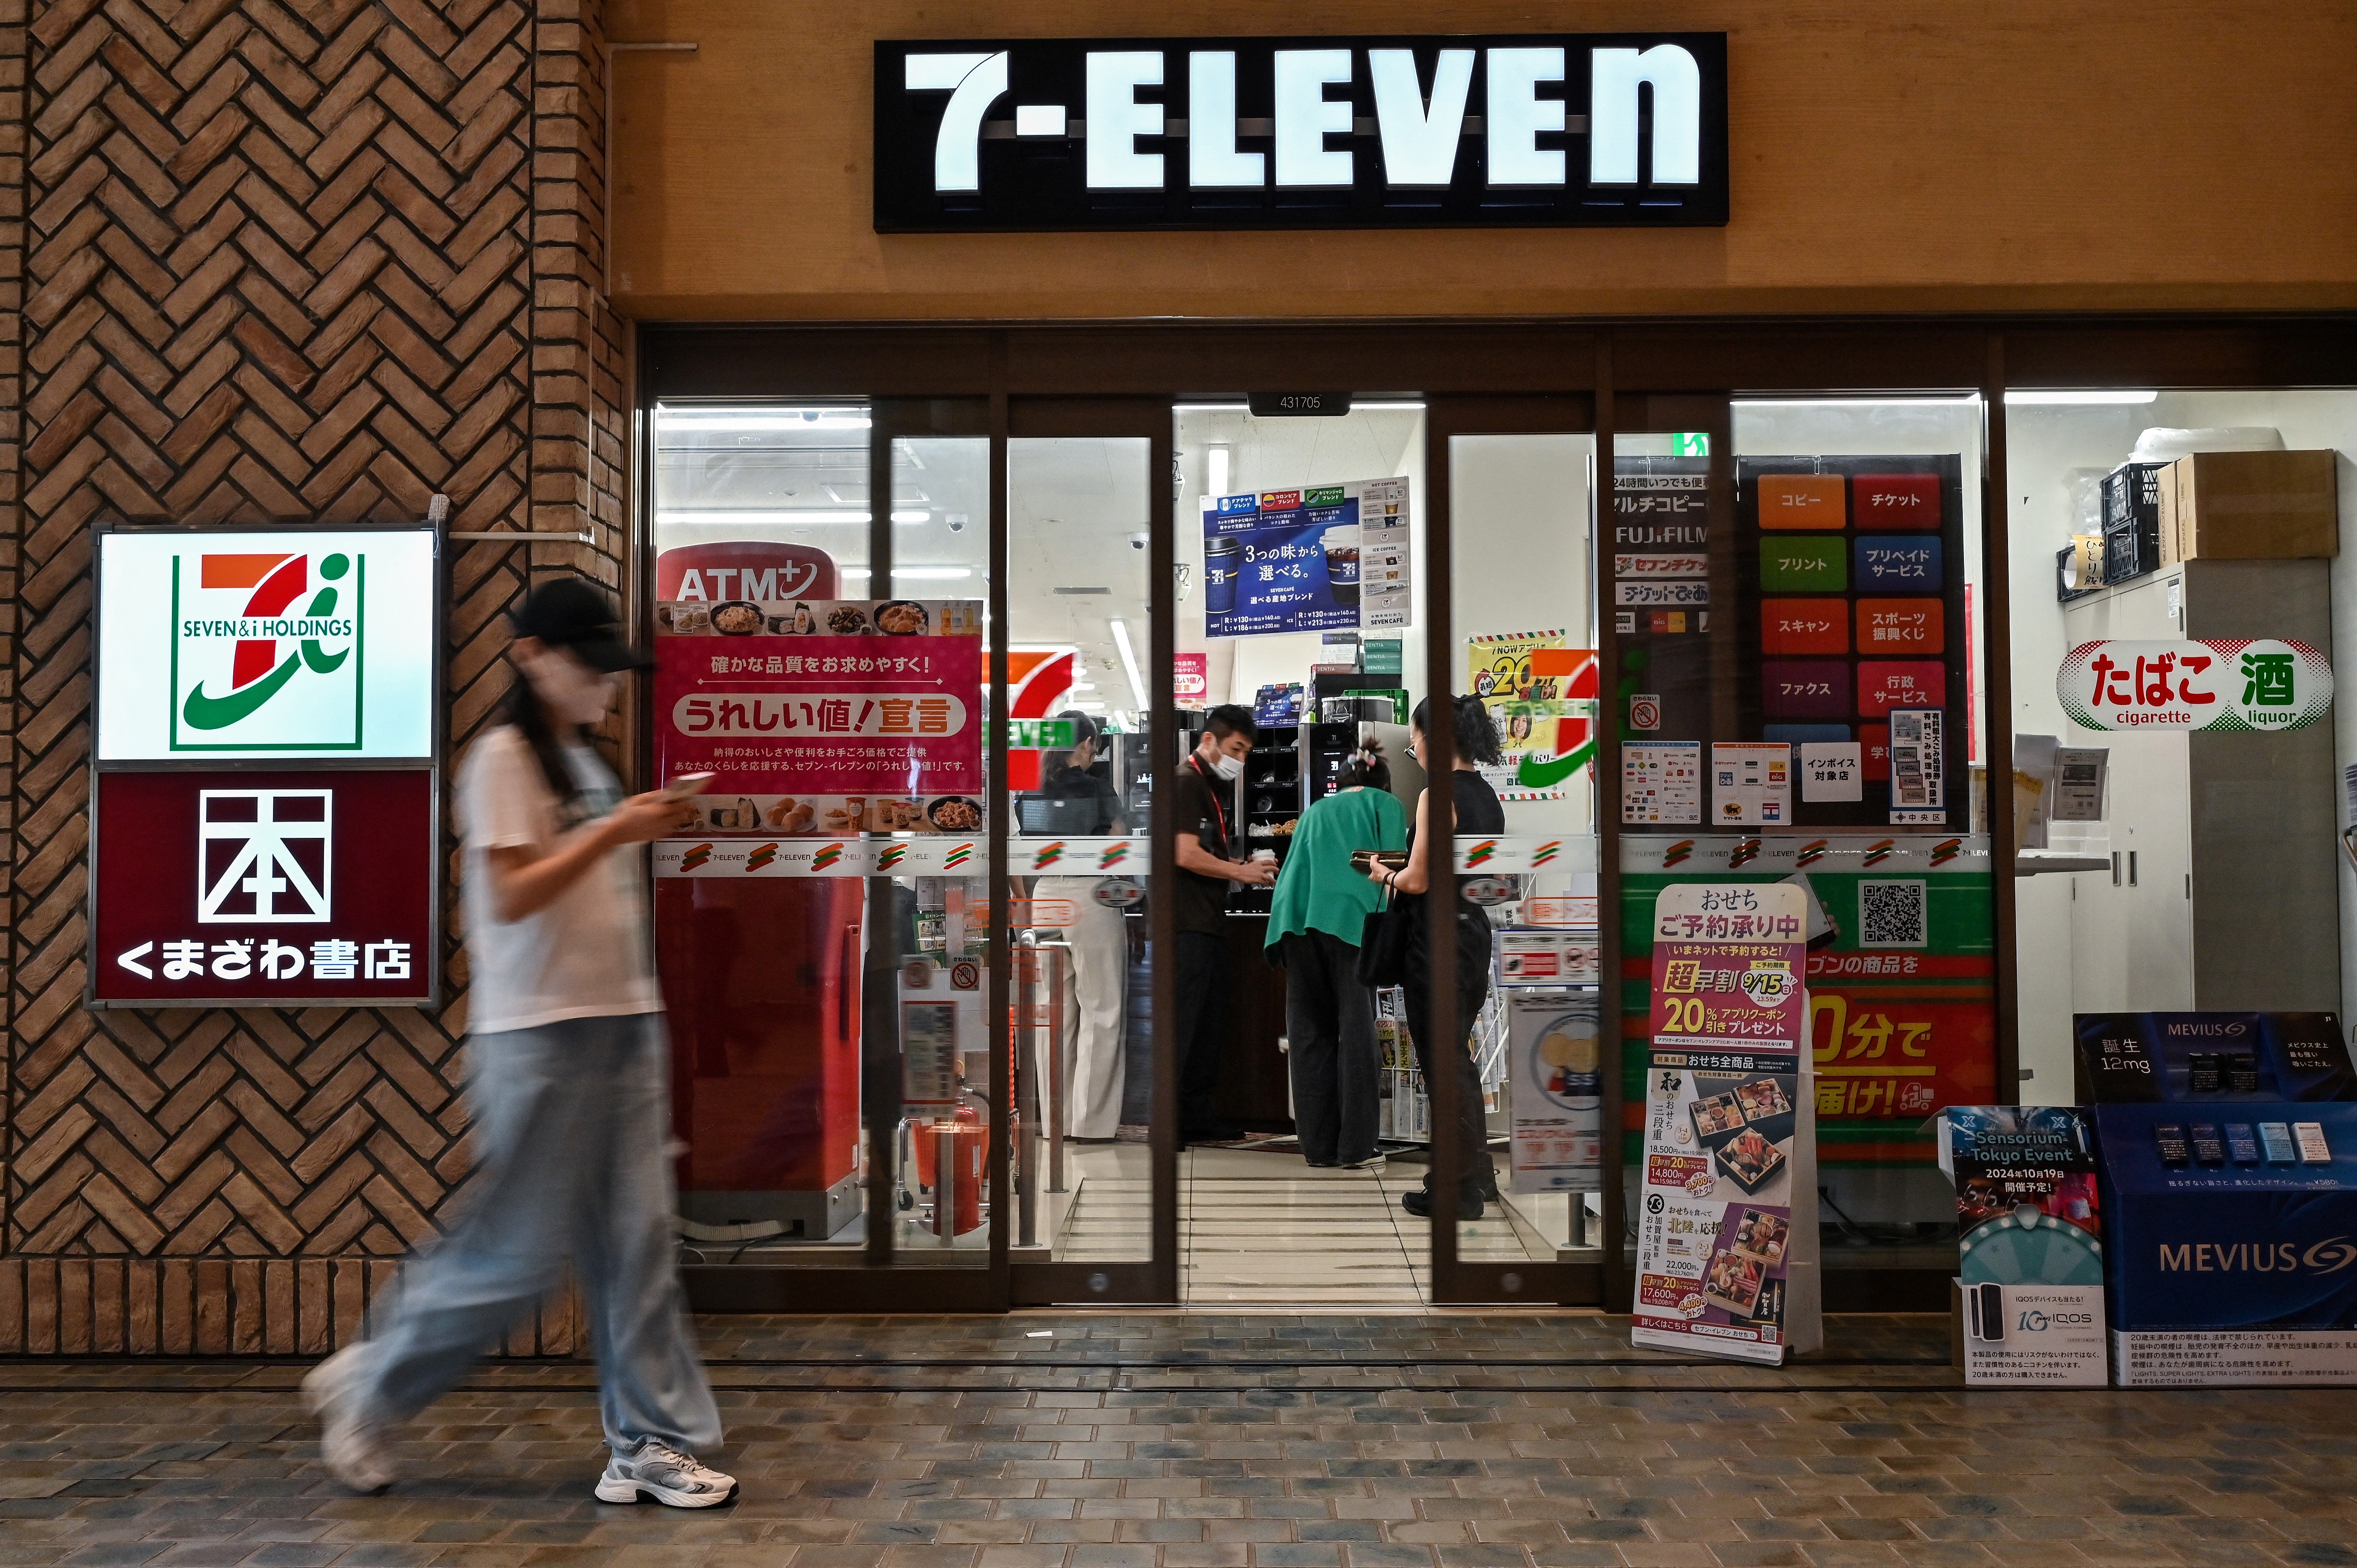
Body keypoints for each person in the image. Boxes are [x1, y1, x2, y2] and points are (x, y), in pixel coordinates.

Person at [302, 578, 735, 1508]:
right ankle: (370, 1385)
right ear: (532, 655)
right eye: (589, 668)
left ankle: (649, 1443)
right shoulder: (503, 758)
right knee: (518, 1254)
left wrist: (633, 820)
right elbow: (510, 892)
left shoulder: (583, 762)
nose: (605, 687)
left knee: (639, 1244)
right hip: (540, 1033)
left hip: (621, 1022)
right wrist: (624, 826)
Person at [1363, 695, 1506, 1220]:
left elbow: (1420, 879)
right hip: (1471, 934)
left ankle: (1458, 1187)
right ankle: (1477, 1175)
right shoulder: (1487, 796)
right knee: (1457, 1061)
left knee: (1443, 1064)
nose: (1414, 749)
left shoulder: (1434, 794)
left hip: (1437, 941)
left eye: (1416, 740)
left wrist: (1384, 875)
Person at [1264, 742, 1408, 1170]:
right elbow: (1394, 871)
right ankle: (1357, 1148)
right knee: (1356, 1034)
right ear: (1382, 780)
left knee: (1309, 1034)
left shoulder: (1314, 811)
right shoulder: (1387, 803)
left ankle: (1318, 1147)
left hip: (1294, 920)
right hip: (1350, 921)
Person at [1171, 703, 1278, 1143]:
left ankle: (1196, 1115)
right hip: (1184, 924)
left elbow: (1204, 853)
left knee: (1206, 1026)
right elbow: (1184, 854)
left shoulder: (1208, 787)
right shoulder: (1185, 783)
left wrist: (1238, 863)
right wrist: (1241, 873)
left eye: (1248, 752)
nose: (1241, 759)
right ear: (1210, 740)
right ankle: (1172, 1120)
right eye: (1237, 748)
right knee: (1183, 1024)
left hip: (1208, 921)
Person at [1032, 711, 1128, 1139]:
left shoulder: (1030, 789)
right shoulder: (1096, 787)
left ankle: (1056, 1121)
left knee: (1053, 1013)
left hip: (1045, 895)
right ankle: (1089, 1124)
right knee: (1102, 1008)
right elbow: (1120, 842)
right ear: (1088, 743)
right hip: (1091, 894)